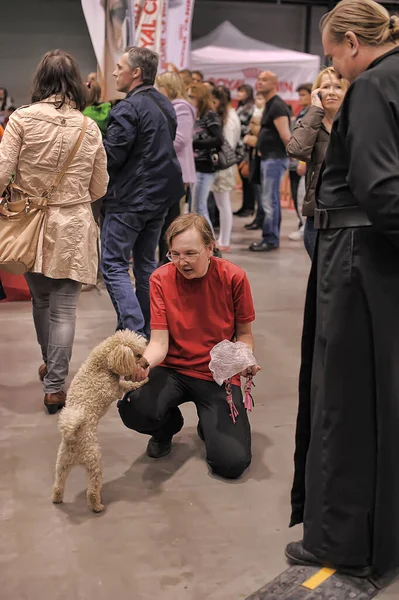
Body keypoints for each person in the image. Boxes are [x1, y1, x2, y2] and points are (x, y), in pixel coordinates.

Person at [287, 0, 399, 577]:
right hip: (371, 262)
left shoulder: (374, 87)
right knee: (375, 396)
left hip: (354, 261)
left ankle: (339, 541)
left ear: (353, 41)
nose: (333, 65)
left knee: (343, 401)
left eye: (333, 52)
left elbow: (381, 189)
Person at [0, 50, 108, 413]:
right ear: (76, 82)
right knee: (65, 309)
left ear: (39, 80)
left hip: (29, 225)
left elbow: (2, 173)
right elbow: (100, 187)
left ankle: (52, 370)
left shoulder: (21, 119)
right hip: (74, 226)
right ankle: (56, 384)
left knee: (42, 301)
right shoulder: (88, 126)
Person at [117, 213, 260, 478]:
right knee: (134, 407)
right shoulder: (160, 279)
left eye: (191, 254)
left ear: (210, 248)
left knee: (231, 464)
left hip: (217, 374)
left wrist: (244, 356)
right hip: (174, 370)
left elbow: (245, 334)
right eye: (175, 254)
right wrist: (143, 363)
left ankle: (210, 425)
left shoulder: (234, 278)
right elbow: (159, 342)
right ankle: (166, 428)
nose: (182, 263)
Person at [101, 47, 185, 339]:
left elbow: (111, 157)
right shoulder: (165, 103)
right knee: (146, 264)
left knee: (113, 264)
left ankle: (133, 331)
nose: (114, 72)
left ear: (135, 72)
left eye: (119, 66)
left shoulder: (127, 108)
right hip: (159, 199)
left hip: (130, 200)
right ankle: (147, 331)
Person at [286, 69, 348, 259]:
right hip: (318, 215)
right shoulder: (311, 122)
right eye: (325, 87)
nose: (331, 92)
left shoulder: (357, 122)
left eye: (338, 87)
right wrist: (315, 111)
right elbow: (296, 150)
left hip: (349, 214)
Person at [156, 71, 196, 264]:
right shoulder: (172, 106)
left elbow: (180, 139)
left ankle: (169, 263)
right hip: (169, 172)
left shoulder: (182, 108)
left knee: (171, 223)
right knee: (166, 222)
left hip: (177, 173)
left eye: (160, 86)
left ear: (169, 88)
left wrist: (152, 146)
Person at [248, 71, 291, 252]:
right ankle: (270, 236)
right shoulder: (270, 105)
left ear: (274, 83)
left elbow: (286, 136)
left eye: (264, 80)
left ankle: (270, 238)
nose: (259, 83)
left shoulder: (277, 106)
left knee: (269, 201)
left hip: (274, 159)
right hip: (268, 158)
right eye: (258, 79)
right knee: (269, 200)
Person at [190, 83, 223, 232]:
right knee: (196, 208)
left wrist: (195, 143)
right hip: (195, 166)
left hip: (205, 167)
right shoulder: (196, 115)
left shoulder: (210, 115)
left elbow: (218, 139)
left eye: (192, 97)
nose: (189, 100)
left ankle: (211, 246)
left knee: (200, 209)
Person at [211, 86, 241, 251]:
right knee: (222, 203)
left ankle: (224, 240)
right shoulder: (227, 116)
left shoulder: (228, 119)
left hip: (223, 165)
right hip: (223, 165)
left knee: (223, 203)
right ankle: (223, 239)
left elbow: (228, 145)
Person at [288, 83, 313, 242]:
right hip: (295, 159)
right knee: (296, 193)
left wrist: (302, 161)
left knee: (302, 195)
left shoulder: (313, 113)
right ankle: (301, 224)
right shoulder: (302, 112)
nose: (300, 98)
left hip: (303, 161)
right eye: (299, 95)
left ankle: (304, 226)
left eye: (304, 94)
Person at [234, 84, 255, 217]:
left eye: (241, 91)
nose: (239, 94)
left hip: (245, 147)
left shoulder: (249, 108)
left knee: (248, 179)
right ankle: (244, 205)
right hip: (239, 147)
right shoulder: (240, 107)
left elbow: (247, 126)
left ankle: (249, 206)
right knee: (244, 179)